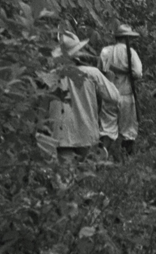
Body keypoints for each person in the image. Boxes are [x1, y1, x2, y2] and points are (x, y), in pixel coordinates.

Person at [46, 28, 120, 162]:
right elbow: (114, 97)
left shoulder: (51, 75)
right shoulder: (92, 73)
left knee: (64, 174)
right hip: (86, 131)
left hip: (62, 132)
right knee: (86, 171)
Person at [98, 23, 144, 156]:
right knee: (128, 129)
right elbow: (138, 73)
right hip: (126, 94)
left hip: (108, 93)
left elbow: (100, 71)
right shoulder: (131, 52)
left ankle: (102, 155)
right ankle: (126, 157)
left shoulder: (105, 51)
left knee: (106, 127)